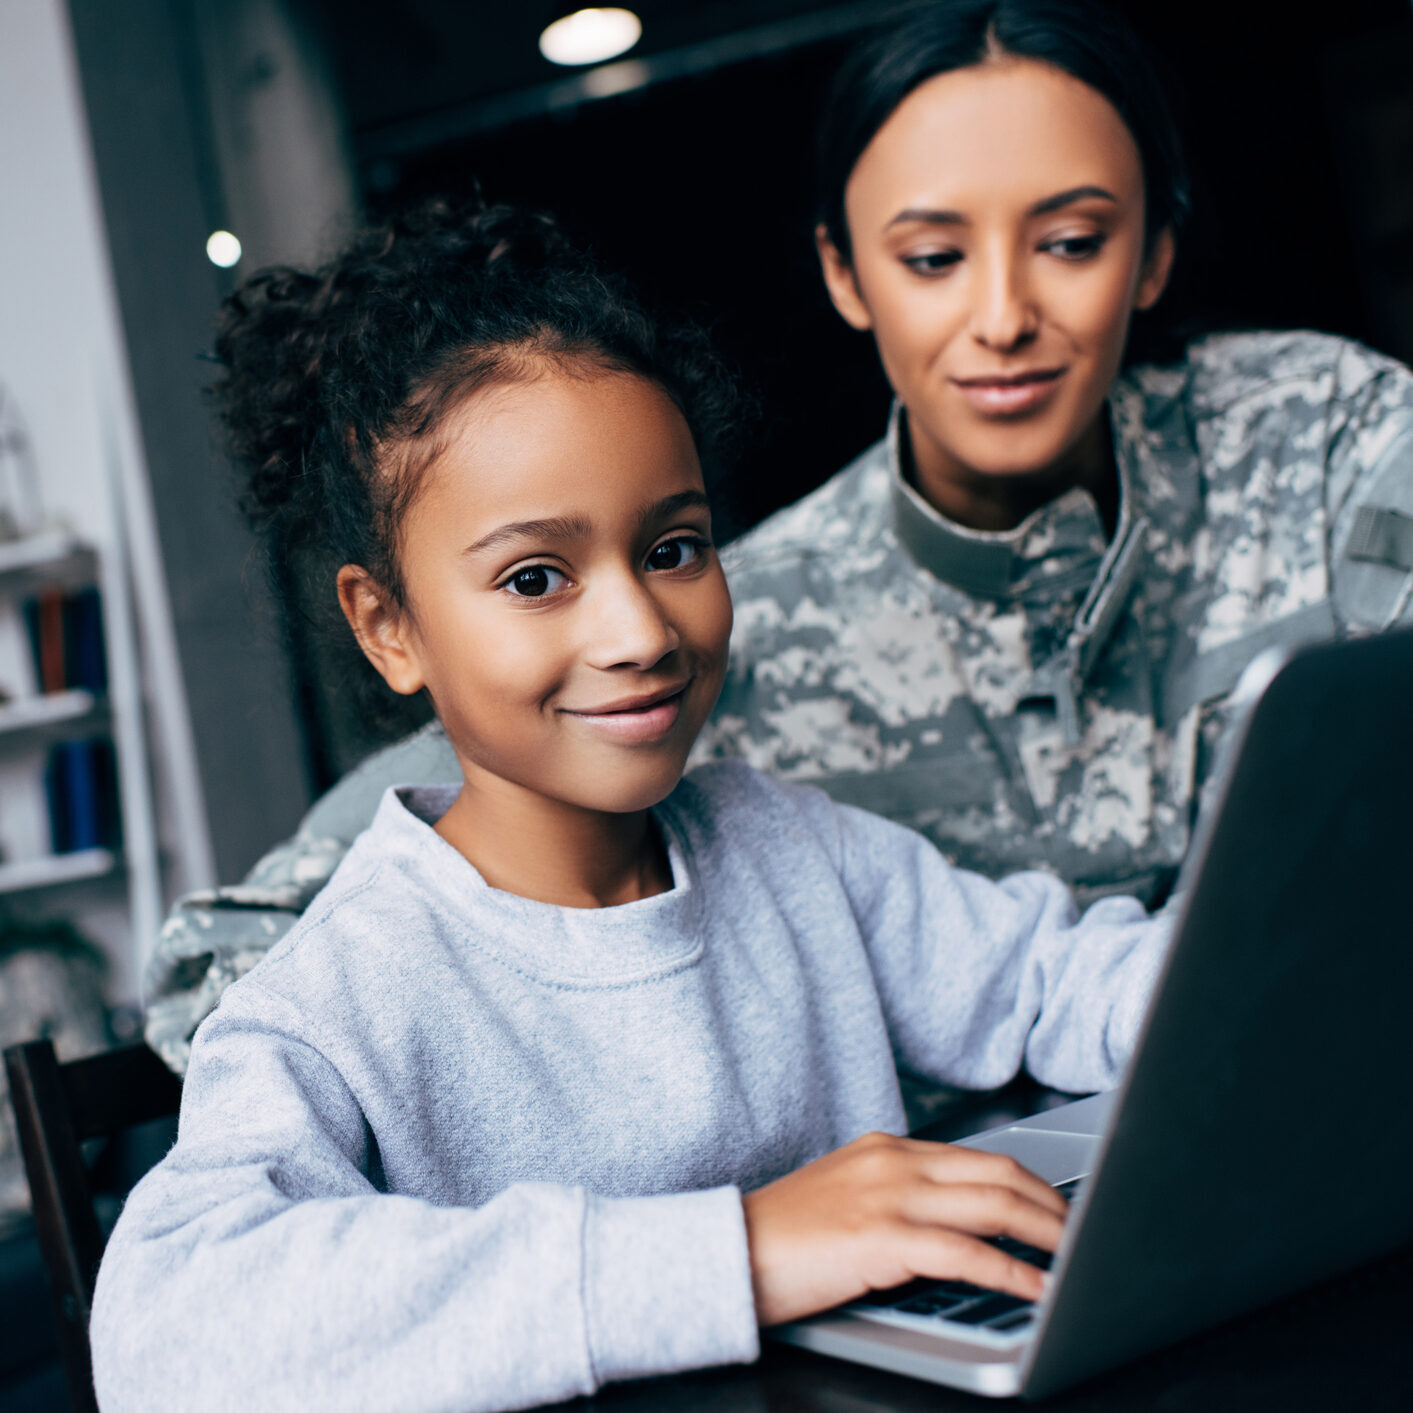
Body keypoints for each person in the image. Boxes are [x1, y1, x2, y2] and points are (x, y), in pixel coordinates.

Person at [143, 0, 1413, 1080]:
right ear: (847, 275)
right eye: (930, 256)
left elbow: (1059, 977)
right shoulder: (716, 633)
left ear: (1154, 251)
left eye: (1073, 241)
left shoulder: (1323, 434)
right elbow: (253, 961)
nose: (1004, 315)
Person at [90, 199, 1167, 1412]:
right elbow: (165, 1338)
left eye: (674, 548)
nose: (641, 631)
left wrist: (1264, 986)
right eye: (536, 578)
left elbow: (1054, 978)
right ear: (389, 628)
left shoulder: (789, 845)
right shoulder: (339, 1000)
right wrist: (742, 1253)